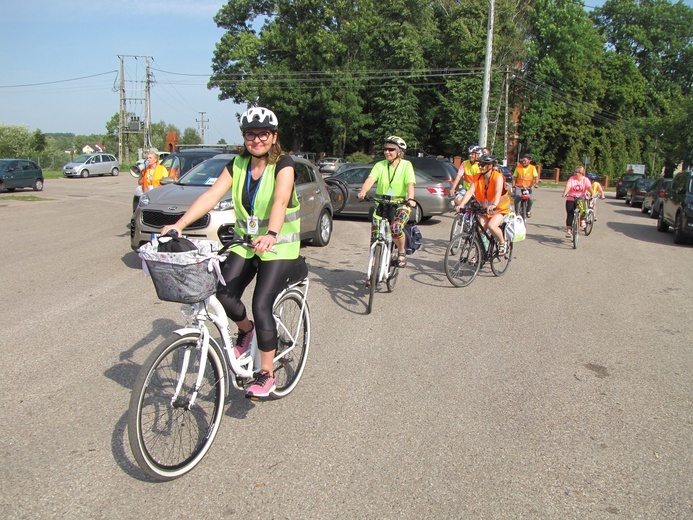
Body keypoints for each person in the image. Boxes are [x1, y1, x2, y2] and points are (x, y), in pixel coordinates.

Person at [161, 107, 300, 398]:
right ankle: (246, 330)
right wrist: (179, 224)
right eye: (251, 134)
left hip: (280, 245)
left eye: (263, 134)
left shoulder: (283, 164)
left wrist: (272, 233)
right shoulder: (237, 164)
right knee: (221, 293)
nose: (257, 139)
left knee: (262, 303)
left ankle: (266, 373)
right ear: (244, 138)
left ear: (274, 137)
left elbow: (280, 200)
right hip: (246, 242)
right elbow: (211, 196)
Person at [357, 135, 416, 274]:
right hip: (382, 203)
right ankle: (372, 273)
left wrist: (411, 199)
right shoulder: (380, 165)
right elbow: (370, 179)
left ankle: (401, 252)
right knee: (375, 238)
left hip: (400, 203)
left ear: (399, 152)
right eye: (385, 149)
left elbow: (410, 184)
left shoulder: (406, 165)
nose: (387, 152)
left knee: (396, 228)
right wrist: (363, 191)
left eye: (391, 149)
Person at [455, 154, 512, 255]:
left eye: (482, 165)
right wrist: (461, 205)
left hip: (500, 209)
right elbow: (469, 192)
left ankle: (502, 243)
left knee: (492, 226)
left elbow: (498, 191)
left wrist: (494, 204)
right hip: (485, 209)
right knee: (478, 232)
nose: (480, 166)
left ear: (490, 166)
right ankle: (479, 255)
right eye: (479, 164)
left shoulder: (497, 177)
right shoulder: (477, 177)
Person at [562, 166, 593, 238]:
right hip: (571, 198)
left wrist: (592, 193)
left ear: (581, 173)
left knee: (583, 210)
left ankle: (582, 220)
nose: (574, 173)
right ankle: (569, 231)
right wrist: (565, 193)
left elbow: (589, 187)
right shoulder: (571, 179)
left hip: (581, 198)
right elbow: (568, 186)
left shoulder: (585, 180)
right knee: (570, 214)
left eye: (576, 172)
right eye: (574, 171)